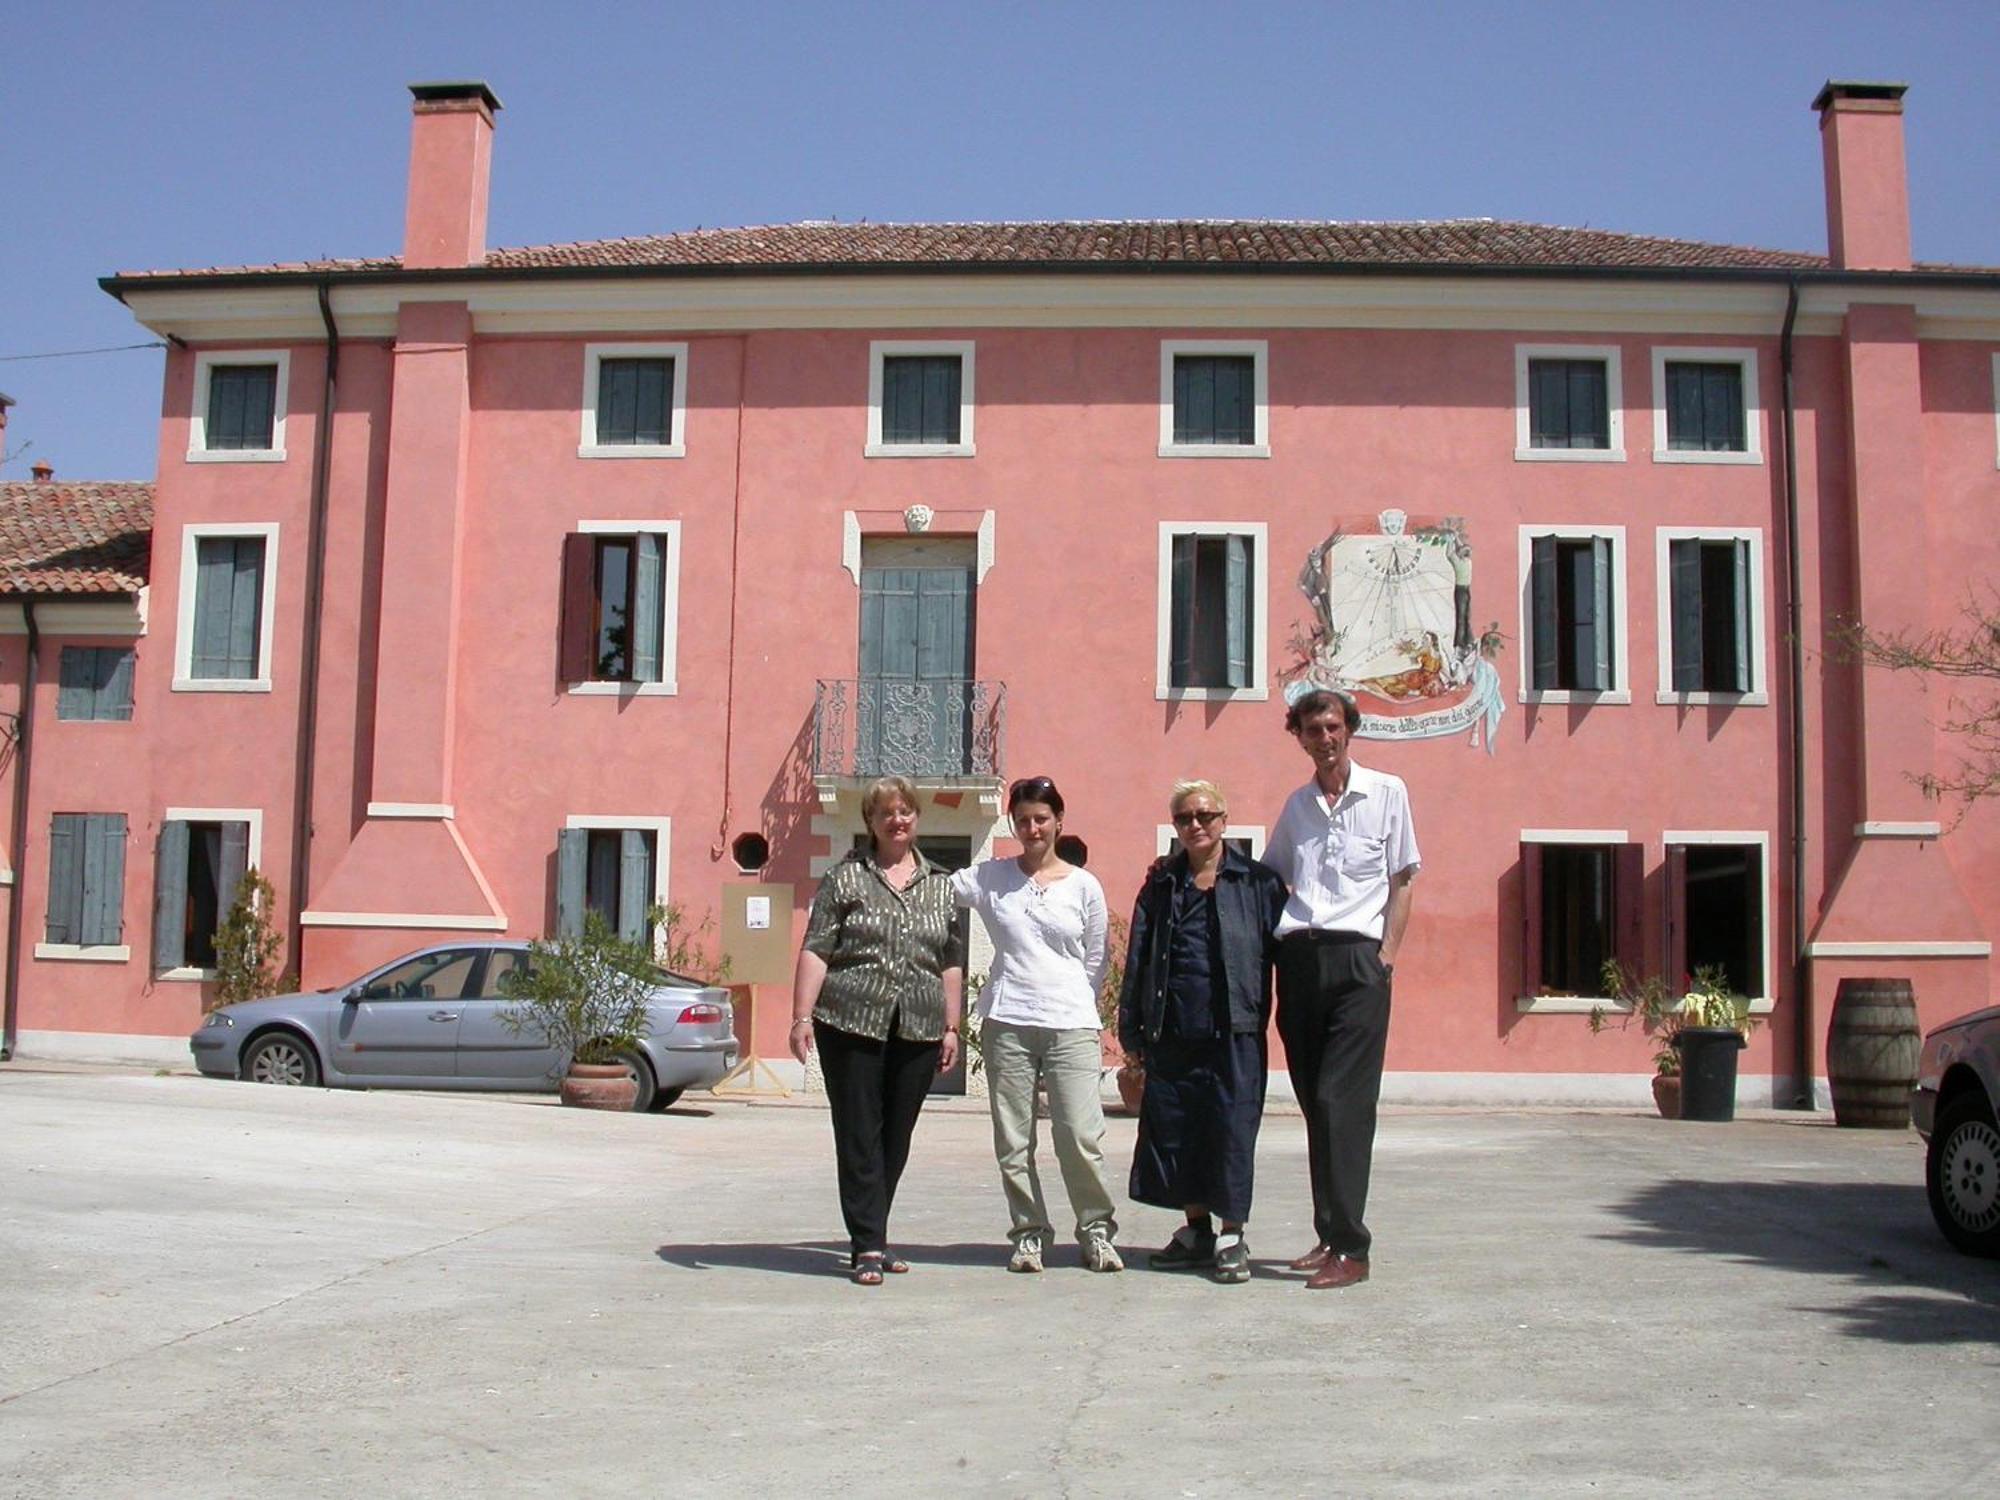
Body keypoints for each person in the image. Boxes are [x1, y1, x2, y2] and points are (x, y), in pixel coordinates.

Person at [1264, 688, 1419, 1290]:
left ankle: (1353, 1248)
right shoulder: (1297, 806)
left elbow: (1402, 880)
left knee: (1342, 1104)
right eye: (1311, 729)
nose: (1323, 738)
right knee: (1314, 1104)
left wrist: (1385, 959)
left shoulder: (1388, 793)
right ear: (1299, 737)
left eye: (1332, 726)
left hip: (1359, 963)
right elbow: (1273, 879)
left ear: (1349, 729)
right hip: (1299, 962)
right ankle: (1328, 1232)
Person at [791, 775, 965, 1286]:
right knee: (858, 1133)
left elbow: (950, 960)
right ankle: (868, 1243)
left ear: (916, 817)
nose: (897, 819)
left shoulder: (940, 884)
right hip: (850, 1021)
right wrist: (802, 1016)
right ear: (870, 822)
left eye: (905, 810)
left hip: (918, 1025)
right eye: (886, 812)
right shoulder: (846, 879)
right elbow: (818, 946)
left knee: (896, 1135)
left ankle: (874, 1233)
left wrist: (952, 1026)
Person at [1117, 780, 1288, 1284]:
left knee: (1231, 1130)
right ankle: (1197, 1230)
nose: (1196, 825)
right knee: (1177, 1131)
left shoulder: (1259, 884)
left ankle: (1233, 1233)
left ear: (1224, 820)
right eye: (1185, 818)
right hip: (1172, 1029)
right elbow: (1139, 956)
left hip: (1234, 1031)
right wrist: (1132, 1030)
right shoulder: (1161, 884)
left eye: (1205, 816)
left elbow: (1285, 957)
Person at [952, 775, 1121, 1273]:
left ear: (1058, 821)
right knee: (1013, 1140)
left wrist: (1072, 1000)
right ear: (1012, 823)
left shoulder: (1084, 885)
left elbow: (1096, 956)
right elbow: (932, 888)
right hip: (1008, 1019)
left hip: (1070, 1023)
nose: (1032, 828)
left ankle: (1095, 1231)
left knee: (1081, 1137)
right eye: (1023, 819)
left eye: (1041, 819)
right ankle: (1028, 1233)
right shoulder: (990, 877)